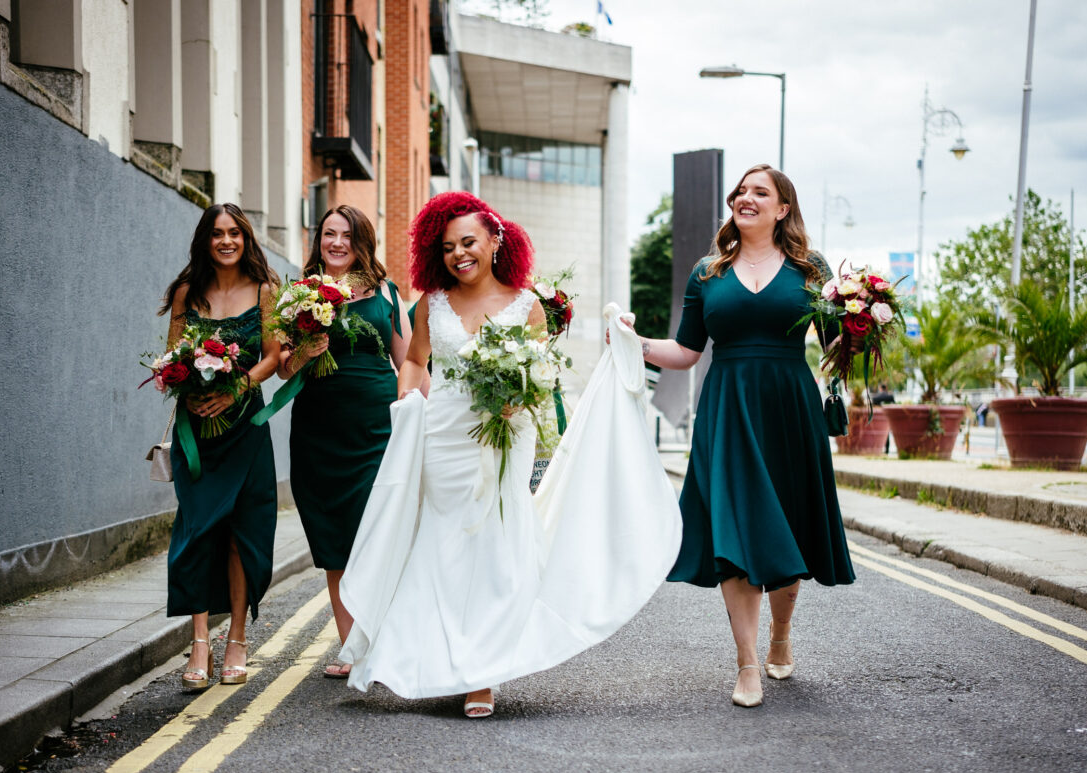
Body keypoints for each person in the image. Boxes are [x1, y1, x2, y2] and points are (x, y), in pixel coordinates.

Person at [336, 191, 681, 718]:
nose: (458, 254)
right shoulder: (430, 304)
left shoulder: (528, 305)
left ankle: (482, 674)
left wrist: (519, 397)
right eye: (447, 246)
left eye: (468, 242)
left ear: (495, 240)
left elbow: (541, 378)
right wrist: (405, 397)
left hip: (505, 434)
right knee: (443, 544)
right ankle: (430, 657)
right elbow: (416, 362)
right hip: (444, 435)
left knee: (496, 543)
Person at [626, 164, 857, 708]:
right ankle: (746, 663)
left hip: (790, 409)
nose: (745, 198)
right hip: (727, 409)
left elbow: (835, 345)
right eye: (740, 191)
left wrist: (863, 315)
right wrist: (632, 343)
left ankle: (781, 636)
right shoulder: (707, 274)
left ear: (782, 210)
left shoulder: (810, 268)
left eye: (761, 192)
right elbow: (685, 353)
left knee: (787, 529)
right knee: (735, 531)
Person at [159, 203, 290, 690]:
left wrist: (234, 389)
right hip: (197, 432)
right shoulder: (187, 293)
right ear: (205, 240)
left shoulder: (265, 291)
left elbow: (276, 357)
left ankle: (235, 639)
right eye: (217, 234)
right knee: (197, 532)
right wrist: (185, 382)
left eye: (235, 233)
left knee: (240, 534)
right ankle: (198, 644)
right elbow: (172, 358)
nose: (227, 241)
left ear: (246, 239)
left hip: (244, 428)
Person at [284, 205, 413, 679]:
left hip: (377, 430)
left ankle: (388, 635)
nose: (336, 243)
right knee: (335, 539)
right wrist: (304, 348)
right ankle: (351, 647)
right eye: (328, 234)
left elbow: (409, 363)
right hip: (319, 432)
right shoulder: (299, 295)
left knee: (376, 533)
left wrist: (421, 420)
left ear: (362, 242)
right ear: (318, 240)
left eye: (346, 235)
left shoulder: (385, 293)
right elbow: (282, 367)